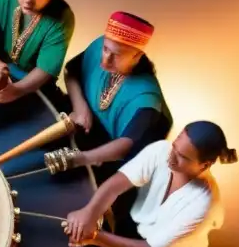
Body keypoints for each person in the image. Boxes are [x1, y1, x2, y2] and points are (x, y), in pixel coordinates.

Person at [65, 121, 237, 247]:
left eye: (183, 157)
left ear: (204, 166)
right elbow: (116, 185)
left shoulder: (203, 204)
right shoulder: (162, 151)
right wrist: (88, 212)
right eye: (175, 148)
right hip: (145, 223)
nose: (171, 158)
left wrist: (96, 237)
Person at [62, 12, 173, 176]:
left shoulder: (146, 98)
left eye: (116, 54)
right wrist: (81, 107)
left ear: (137, 55)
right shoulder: (100, 45)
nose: (105, 59)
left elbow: (125, 145)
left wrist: (81, 159)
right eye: (106, 49)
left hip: (108, 160)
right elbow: (70, 72)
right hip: (79, 127)